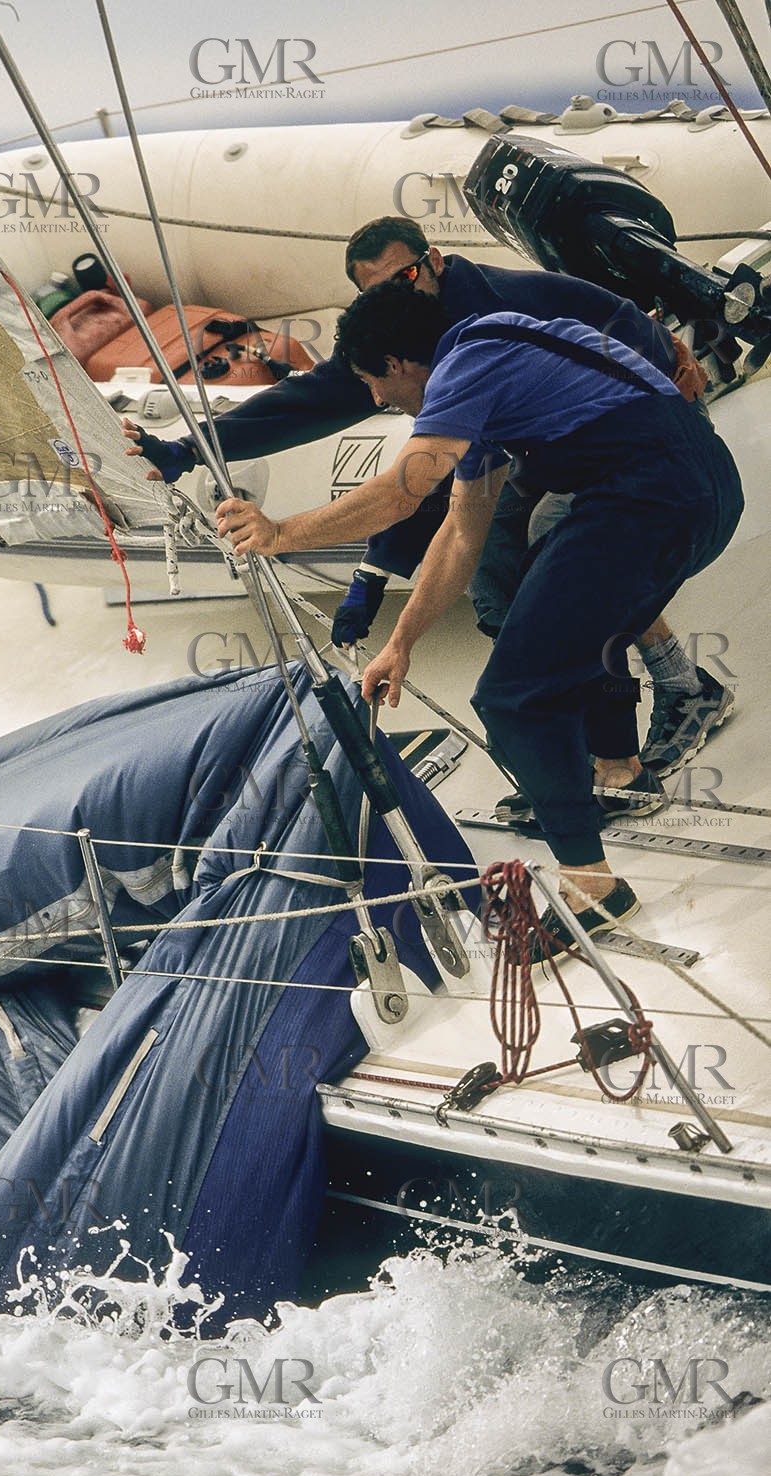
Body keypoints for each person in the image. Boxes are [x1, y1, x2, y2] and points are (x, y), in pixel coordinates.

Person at [212, 283, 744, 961]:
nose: (379, 400)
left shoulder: (469, 362)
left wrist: (280, 533)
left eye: (374, 384)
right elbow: (462, 533)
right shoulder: (496, 367)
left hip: (647, 498)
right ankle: (620, 771)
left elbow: (401, 494)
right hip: (699, 487)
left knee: (513, 696)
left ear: (397, 364)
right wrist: (401, 642)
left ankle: (591, 885)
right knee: (581, 635)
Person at [122, 217, 734, 778]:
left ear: (434, 261)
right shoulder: (391, 342)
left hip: (642, 428)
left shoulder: (499, 304)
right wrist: (189, 448)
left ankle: (669, 700)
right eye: (379, 290)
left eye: (407, 276)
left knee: (570, 559)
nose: (401, 292)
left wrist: (671, 366)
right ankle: (566, 722)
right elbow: (313, 406)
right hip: (535, 450)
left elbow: (611, 317)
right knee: (500, 570)